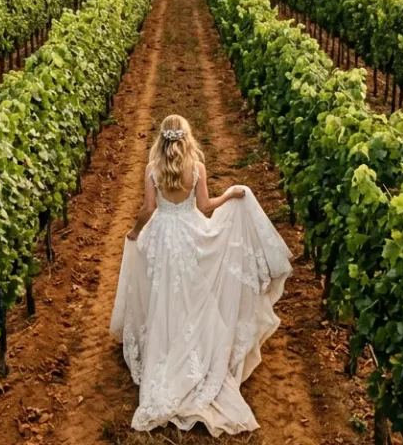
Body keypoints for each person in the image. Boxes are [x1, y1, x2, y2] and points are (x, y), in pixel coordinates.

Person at [110, 114, 293, 435]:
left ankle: (164, 342)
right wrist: (231, 196)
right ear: (187, 138)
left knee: (161, 290)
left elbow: (149, 209)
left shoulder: (152, 170)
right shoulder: (196, 169)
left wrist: (135, 232)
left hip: (163, 234)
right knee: (194, 289)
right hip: (190, 232)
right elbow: (206, 206)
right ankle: (196, 345)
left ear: (161, 139)